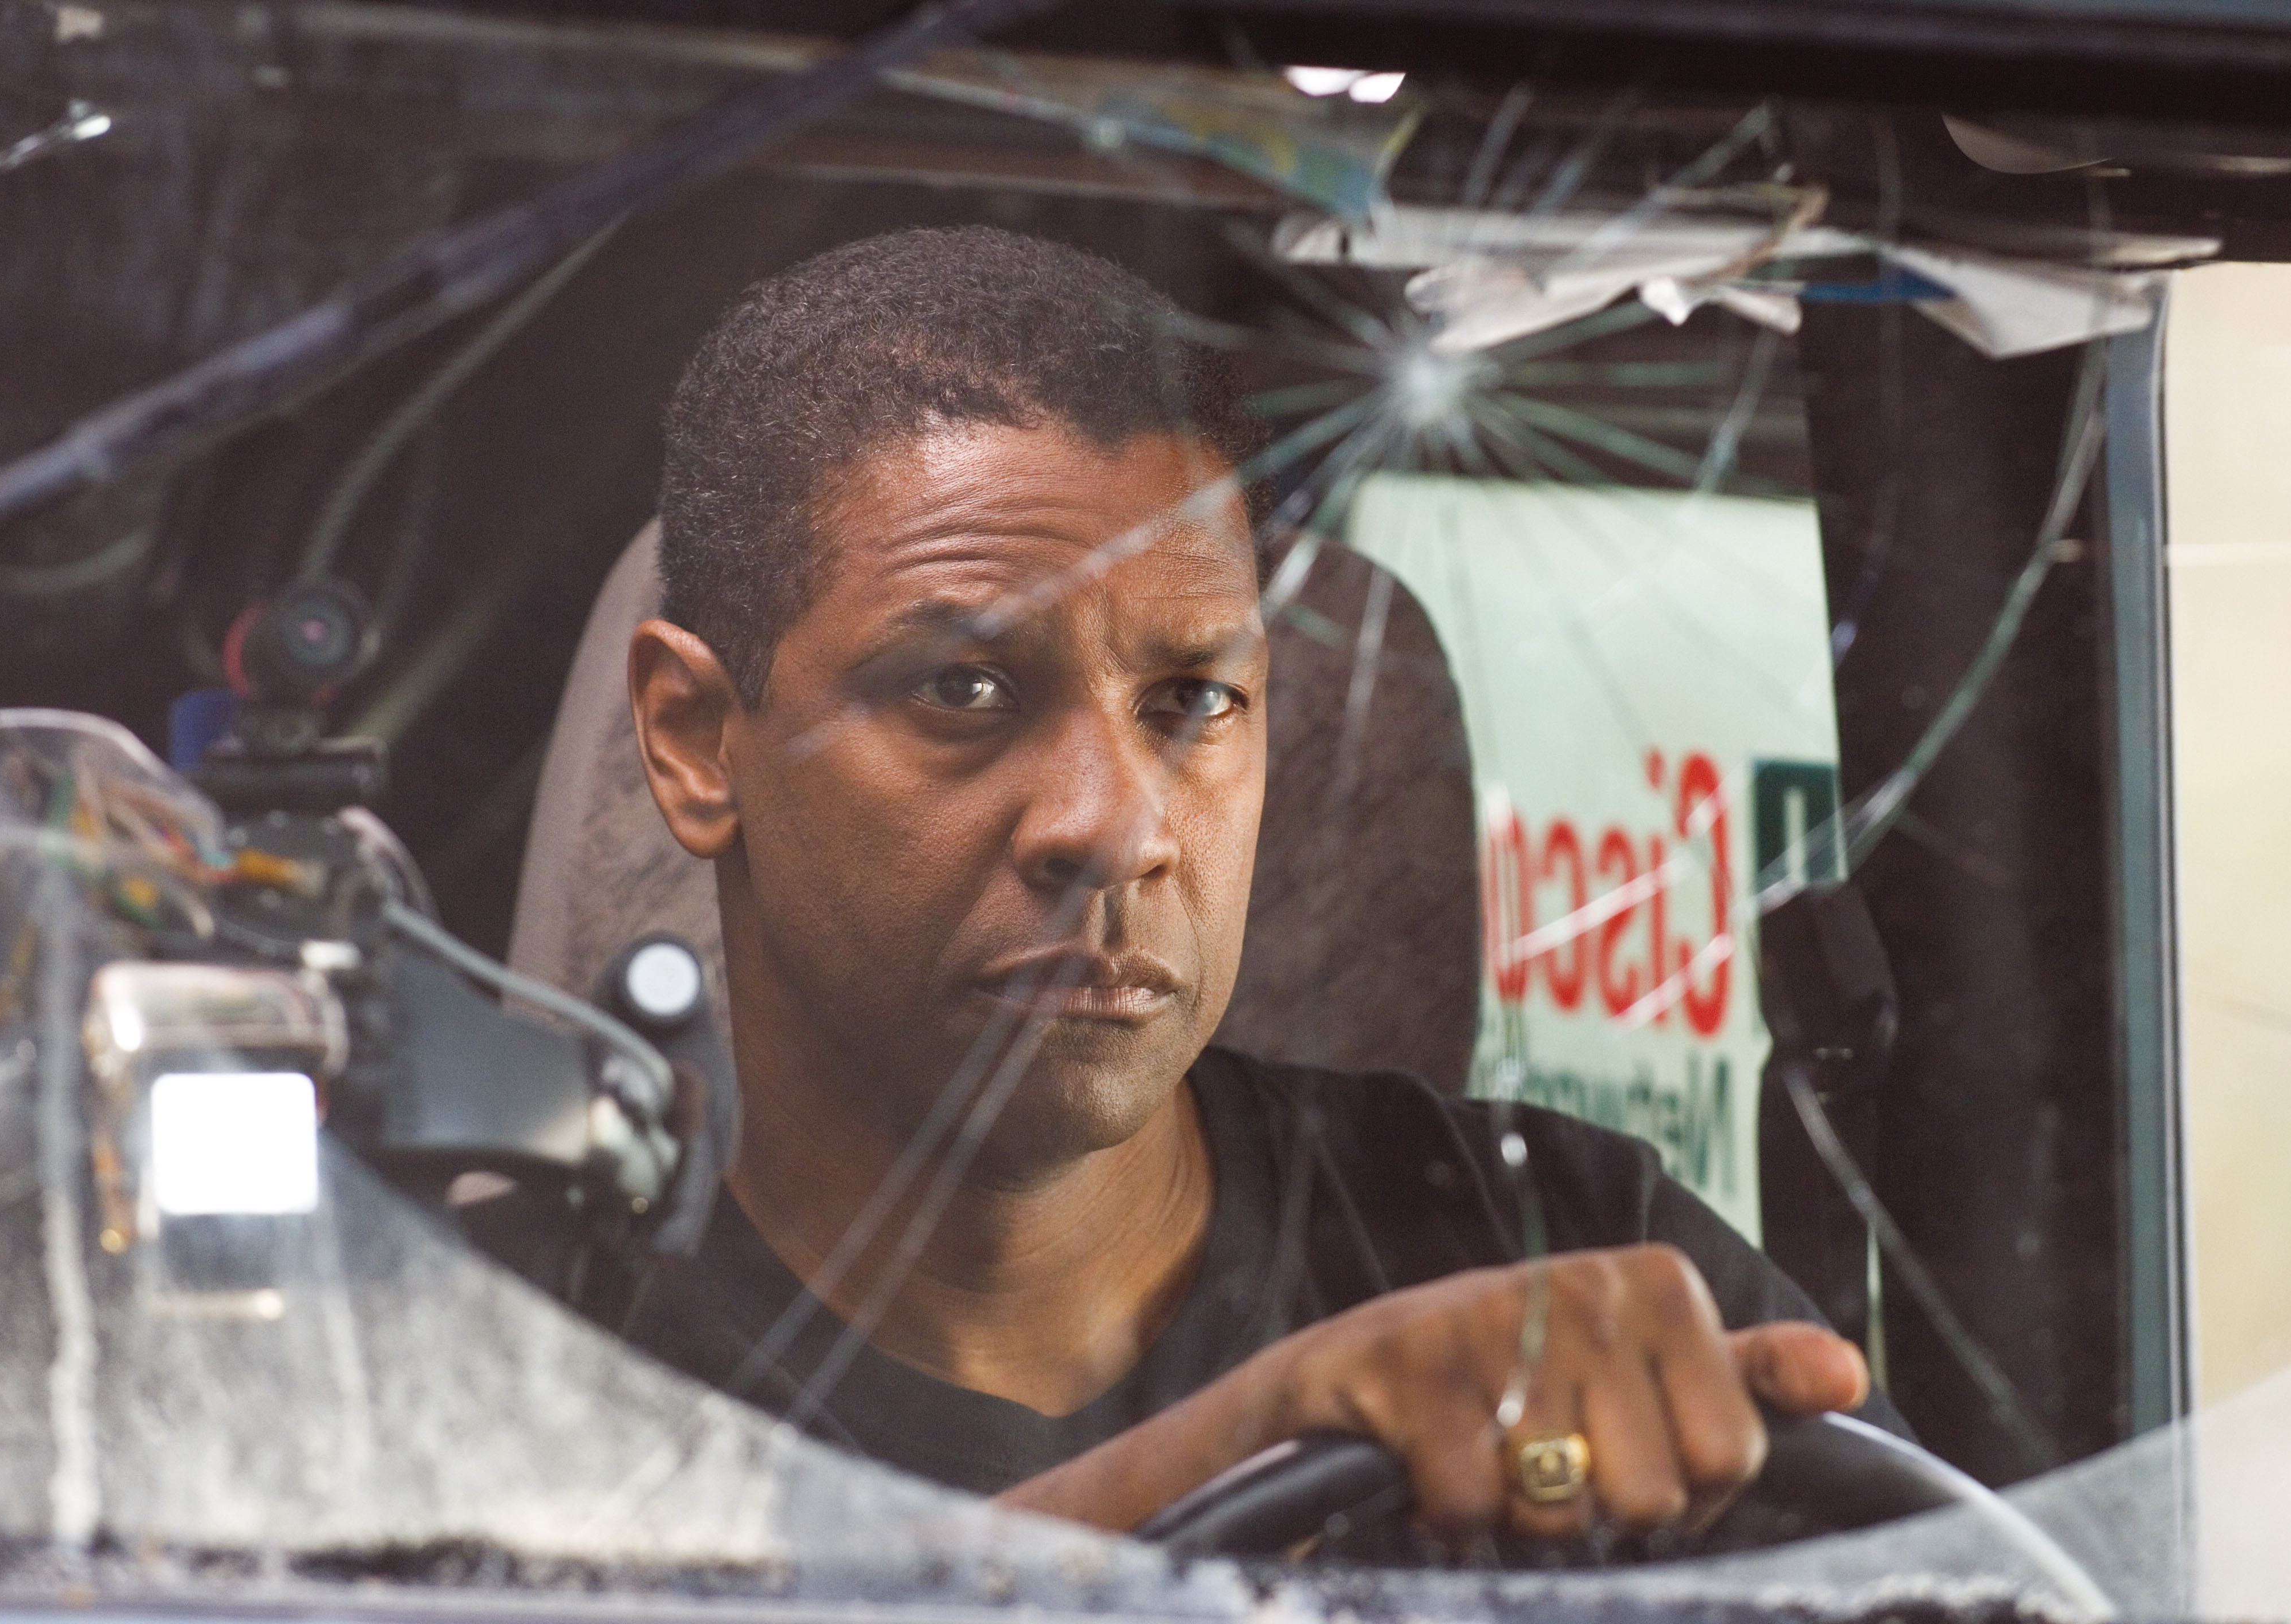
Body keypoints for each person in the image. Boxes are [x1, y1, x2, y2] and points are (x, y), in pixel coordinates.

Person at [590, 225, 1890, 1542]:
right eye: (961, 688)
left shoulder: (1574, 1275)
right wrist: (1247, 1445)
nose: (1113, 828)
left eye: (1191, 699)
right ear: (695, 740)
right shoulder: (519, 1374)